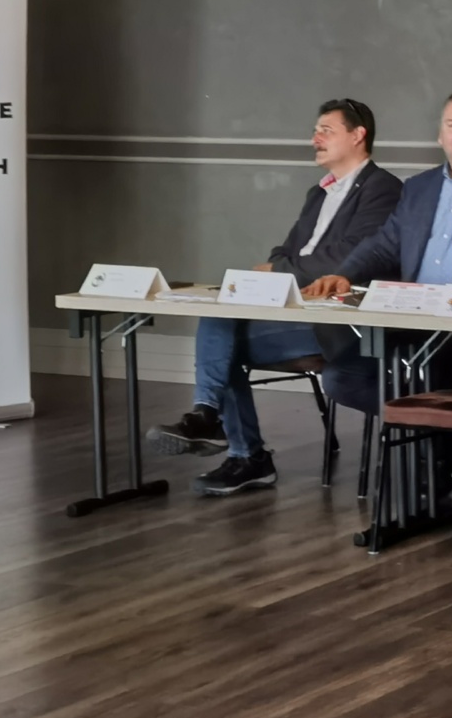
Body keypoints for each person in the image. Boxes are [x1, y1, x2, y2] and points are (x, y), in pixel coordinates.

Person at [303, 89, 452, 510]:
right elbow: (384, 244)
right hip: (414, 317)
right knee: (343, 377)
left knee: (417, 374)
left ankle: (438, 484)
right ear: (440, 135)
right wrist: (345, 273)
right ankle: (451, 439)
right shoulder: (419, 187)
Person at [150, 99, 401, 496]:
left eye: (326, 130)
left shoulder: (383, 188)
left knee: (222, 345)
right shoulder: (318, 194)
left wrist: (281, 270)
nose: (315, 138)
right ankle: (210, 419)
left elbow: (352, 256)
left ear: (358, 135)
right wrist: (280, 267)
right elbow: (283, 251)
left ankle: (239, 448)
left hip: (338, 319)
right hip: (298, 309)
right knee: (218, 319)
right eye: (315, 131)